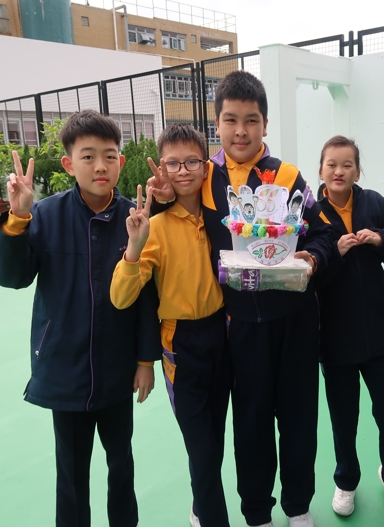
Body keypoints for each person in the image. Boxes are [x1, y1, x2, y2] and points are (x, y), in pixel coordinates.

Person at [148, 71, 333, 527]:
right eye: (231, 120)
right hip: (238, 327)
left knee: (298, 418)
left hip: (295, 319)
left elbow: (323, 232)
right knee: (250, 423)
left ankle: (298, 506)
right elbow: (171, 216)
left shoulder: (287, 176)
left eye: (251, 120)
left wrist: (313, 257)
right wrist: (160, 200)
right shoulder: (204, 177)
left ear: (265, 123)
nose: (241, 131)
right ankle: (257, 513)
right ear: (217, 124)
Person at [0, 110, 161, 527]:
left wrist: (145, 360)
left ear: (120, 161)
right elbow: (10, 276)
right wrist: (17, 218)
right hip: (65, 367)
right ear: (68, 164)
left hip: (117, 369)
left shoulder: (134, 220)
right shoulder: (45, 216)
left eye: (110, 156)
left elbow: (145, 298)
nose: (101, 166)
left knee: (121, 463)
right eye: (88, 156)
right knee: (71, 473)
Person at [111, 123, 230, 527]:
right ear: (161, 168)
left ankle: (200, 506)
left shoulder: (221, 217)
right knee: (202, 449)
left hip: (222, 335)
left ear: (206, 165)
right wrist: (133, 246)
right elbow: (121, 297)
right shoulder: (156, 228)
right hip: (181, 343)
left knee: (214, 441)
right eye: (173, 163)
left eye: (192, 162)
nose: (183, 171)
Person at [315, 136, 384, 517]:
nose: (339, 171)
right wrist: (335, 253)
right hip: (334, 338)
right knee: (344, 418)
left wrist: (380, 239)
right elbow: (309, 275)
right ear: (321, 170)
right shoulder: (311, 214)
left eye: (347, 165)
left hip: (378, 333)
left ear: (357, 170)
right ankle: (346, 481)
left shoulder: (374, 203)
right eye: (332, 164)